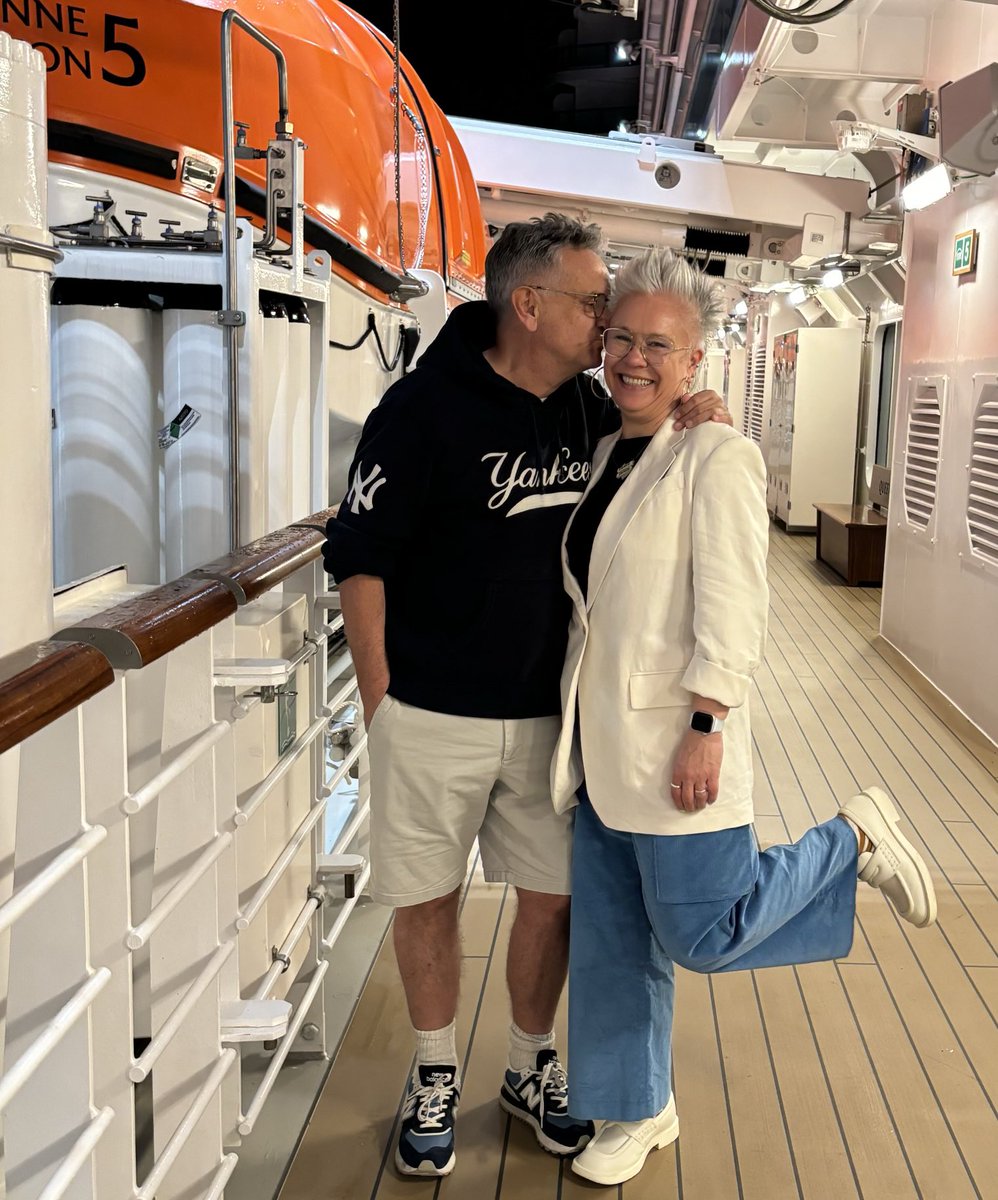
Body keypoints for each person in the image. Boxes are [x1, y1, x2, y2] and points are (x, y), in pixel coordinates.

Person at [322, 213, 731, 1177]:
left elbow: (659, 461)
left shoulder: (590, 411)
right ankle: (433, 1072)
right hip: (429, 710)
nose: (608, 326)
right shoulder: (420, 411)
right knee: (428, 898)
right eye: (595, 305)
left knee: (552, 900)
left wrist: (696, 407)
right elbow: (361, 557)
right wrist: (381, 703)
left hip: (553, 718)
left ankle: (527, 1064)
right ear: (531, 304)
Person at [548, 247, 938, 1188]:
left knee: (703, 931)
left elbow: (735, 605)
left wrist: (708, 724)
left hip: (674, 738)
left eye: (660, 346)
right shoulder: (603, 451)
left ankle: (850, 839)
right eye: (622, 338)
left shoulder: (718, 454)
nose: (635, 359)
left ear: (695, 360)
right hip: (596, 744)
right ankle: (638, 1108)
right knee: (612, 943)